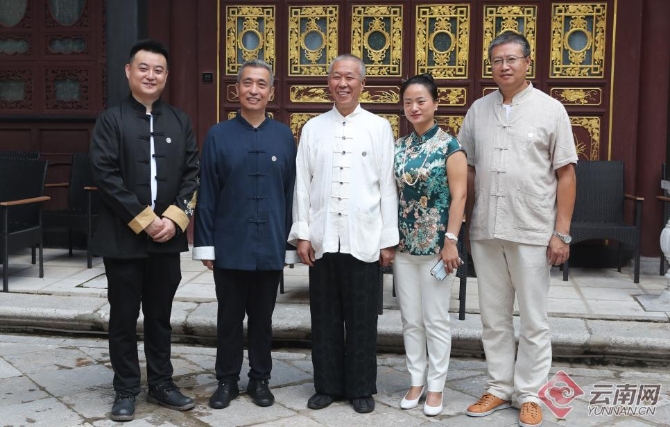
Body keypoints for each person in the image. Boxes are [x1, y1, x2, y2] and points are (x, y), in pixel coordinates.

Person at [458, 33, 577, 427]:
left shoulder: (550, 110)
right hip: (486, 229)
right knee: (493, 317)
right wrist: (463, 223)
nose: (504, 66)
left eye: (511, 59)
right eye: (497, 60)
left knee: (533, 319)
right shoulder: (478, 110)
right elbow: (467, 168)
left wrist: (561, 233)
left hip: (532, 228)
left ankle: (530, 393)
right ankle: (498, 386)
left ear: (527, 62)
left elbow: (566, 173)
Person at [89, 39, 199, 422]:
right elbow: (105, 175)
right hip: (122, 239)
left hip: (166, 238)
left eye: (158, 70)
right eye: (144, 68)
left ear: (166, 76)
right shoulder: (111, 120)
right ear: (129, 71)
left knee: (159, 316)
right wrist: (144, 219)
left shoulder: (180, 121)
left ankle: (162, 383)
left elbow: (192, 174)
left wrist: (173, 220)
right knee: (123, 317)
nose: (151, 75)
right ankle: (125, 389)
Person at [288, 54, 399, 414]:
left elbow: (388, 187)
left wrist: (388, 240)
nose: (343, 84)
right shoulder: (313, 128)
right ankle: (327, 385)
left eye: (350, 77)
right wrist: (303, 234)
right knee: (324, 317)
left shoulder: (379, 127)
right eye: (337, 77)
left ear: (362, 84)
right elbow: (303, 184)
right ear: (329, 83)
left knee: (363, 318)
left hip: (364, 237)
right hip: (323, 237)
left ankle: (361, 387)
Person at [192, 59, 297, 410]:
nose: (254, 90)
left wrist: (289, 244)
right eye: (247, 83)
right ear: (236, 89)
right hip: (230, 244)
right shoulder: (218, 135)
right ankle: (226, 380)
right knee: (229, 318)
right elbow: (207, 192)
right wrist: (206, 244)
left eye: (261, 84)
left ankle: (260, 379)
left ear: (271, 92)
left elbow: (290, 194)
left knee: (263, 319)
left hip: (270, 244)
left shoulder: (283, 136)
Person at [393, 73, 467, 417]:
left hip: (438, 249)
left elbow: (459, 196)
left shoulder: (450, 146)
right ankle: (416, 381)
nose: (414, 107)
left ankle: (436, 386)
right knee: (410, 319)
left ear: (435, 103)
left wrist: (451, 240)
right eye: (408, 102)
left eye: (421, 101)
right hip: (404, 247)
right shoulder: (399, 147)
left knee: (435, 319)